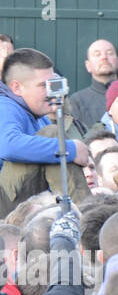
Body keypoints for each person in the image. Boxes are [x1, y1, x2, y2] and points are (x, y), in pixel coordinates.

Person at [0, 48, 89, 215]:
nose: (50, 91)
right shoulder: (4, 105)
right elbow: (8, 145)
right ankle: (84, 217)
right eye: (42, 85)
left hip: (18, 198)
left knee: (55, 139)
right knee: (54, 136)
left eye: (52, 83)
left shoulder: (39, 116)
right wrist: (70, 150)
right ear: (16, 88)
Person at [65, 39, 118, 133]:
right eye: (97, 54)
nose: (104, 57)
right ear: (88, 65)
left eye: (109, 53)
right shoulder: (77, 101)